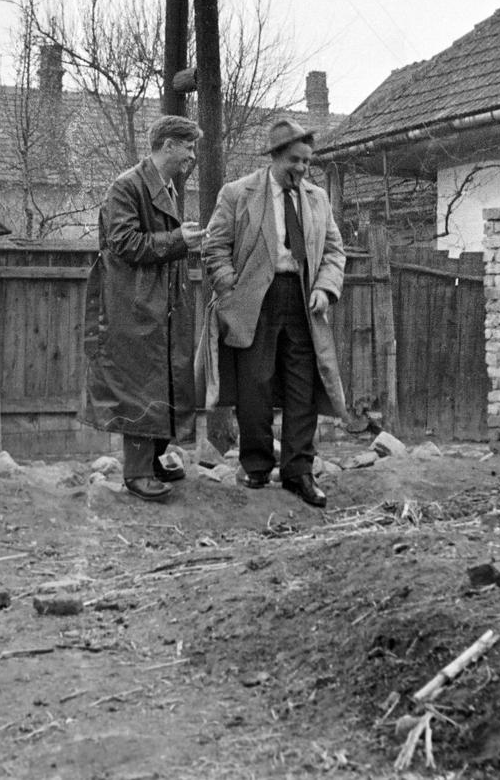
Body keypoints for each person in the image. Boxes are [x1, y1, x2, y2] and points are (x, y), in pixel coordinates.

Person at [202, 119, 346, 508]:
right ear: (275, 157)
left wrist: (324, 288)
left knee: (303, 386)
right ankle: (257, 466)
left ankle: (299, 472)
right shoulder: (238, 193)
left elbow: (334, 251)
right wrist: (231, 289)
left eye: (307, 162)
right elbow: (214, 247)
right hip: (254, 301)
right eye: (295, 161)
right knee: (255, 385)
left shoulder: (317, 199)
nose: (302, 169)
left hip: (302, 299)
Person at [84, 115, 205, 501]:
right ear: (168, 145)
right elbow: (123, 242)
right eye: (187, 147)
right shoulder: (126, 186)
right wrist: (178, 238)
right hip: (134, 305)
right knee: (139, 385)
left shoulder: (163, 185)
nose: (191, 156)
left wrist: (180, 240)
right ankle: (136, 474)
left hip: (160, 304)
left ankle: (152, 462)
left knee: (162, 380)